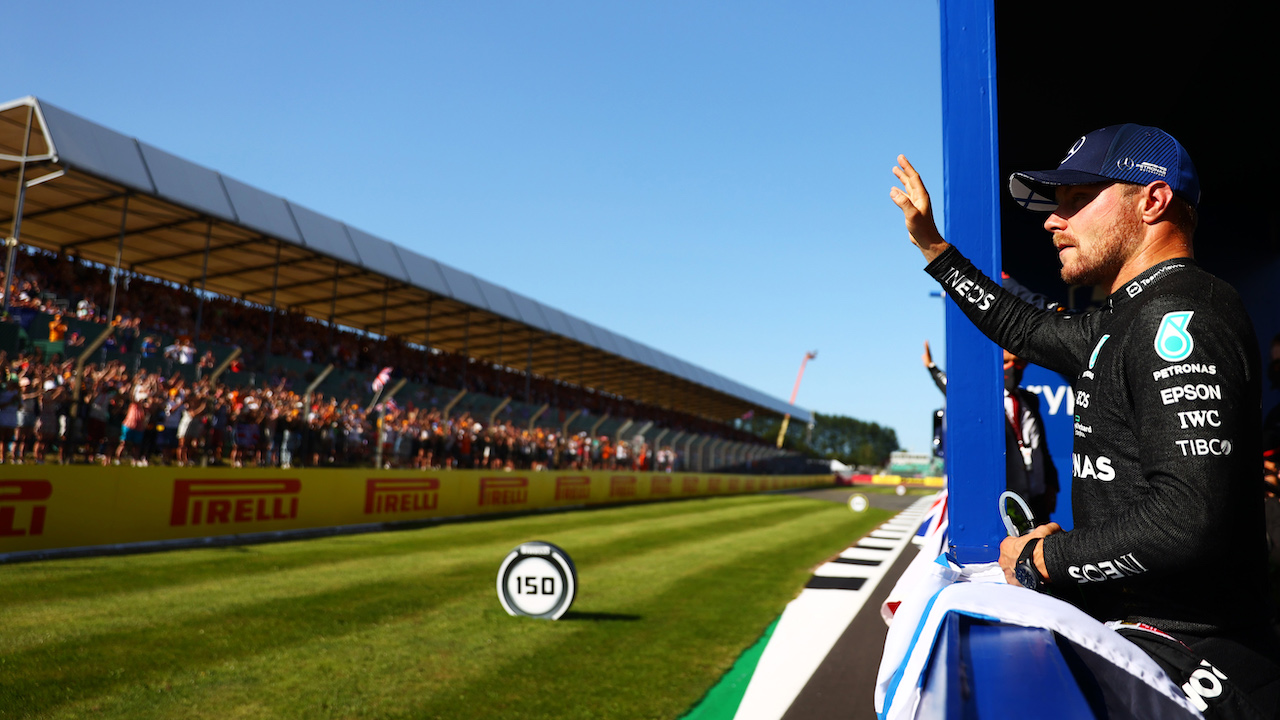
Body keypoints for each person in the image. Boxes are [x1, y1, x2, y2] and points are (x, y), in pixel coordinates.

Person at [892, 124, 1280, 717]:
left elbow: (1187, 521)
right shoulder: (1122, 316)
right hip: (1145, 635)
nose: (1053, 220)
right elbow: (1019, 326)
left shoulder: (1180, 314)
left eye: (1076, 200)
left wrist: (1049, 559)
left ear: (1152, 200)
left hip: (1199, 658)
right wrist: (934, 250)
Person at [923, 341, 1058, 522]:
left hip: (1037, 501)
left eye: (1018, 362)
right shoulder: (982, 401)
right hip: (1008, 503)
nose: (1013, 368)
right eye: (1005, 362)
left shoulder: (1030, 400)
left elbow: (1043, 448)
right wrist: (932, 368)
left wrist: (1051, 485)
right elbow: (953, 390)